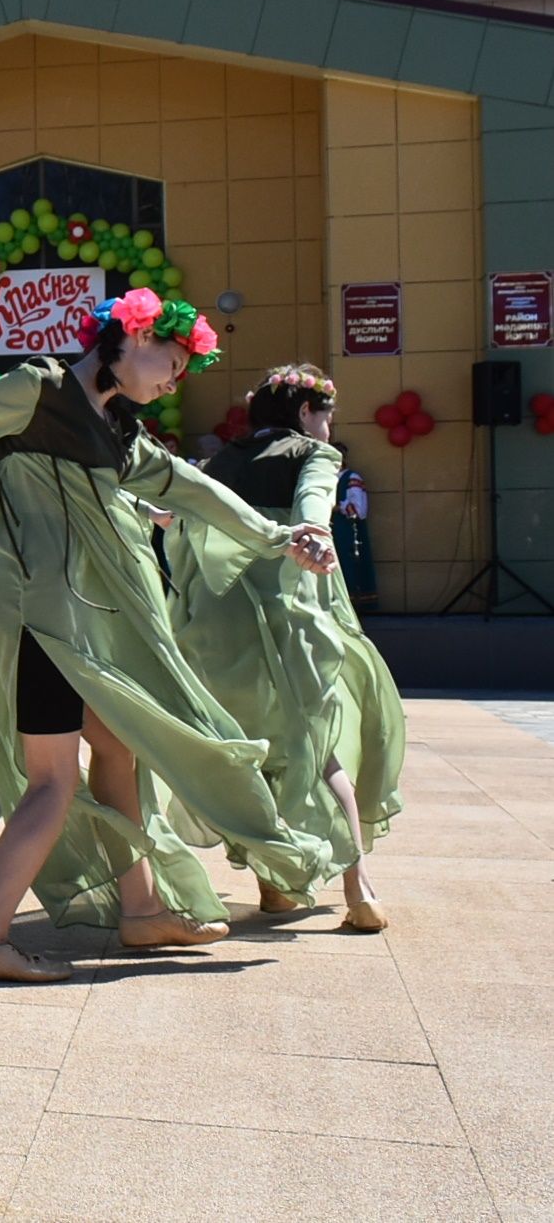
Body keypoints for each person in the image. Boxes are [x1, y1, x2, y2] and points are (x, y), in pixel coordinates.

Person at [0, 288, 337, 982]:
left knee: (116, 748)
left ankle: (139, 909)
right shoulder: (38, 388)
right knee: (51, 777)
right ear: (130, 339)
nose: (174, 378)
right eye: (170, 359)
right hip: (27, 611)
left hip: (57, 616)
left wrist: (282, 536)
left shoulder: (118, 433)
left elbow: (194, 489)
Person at [166, 366, 403, 931]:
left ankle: (275, 887)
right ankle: (359, 889)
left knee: (254, 751)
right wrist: (314, 535)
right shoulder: (314, 454)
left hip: (218, 627)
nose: (327, 426)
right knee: (319, 749)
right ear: (304, 412)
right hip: (289, 614)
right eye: (325, 415)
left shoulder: (222, 459)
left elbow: (184, 527)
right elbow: (314, 500)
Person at [331, 443, 378, 612]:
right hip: (331, 530)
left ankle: (353, 606)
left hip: (347, 530)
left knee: (348, 565)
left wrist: (334, 507)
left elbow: (358, 509)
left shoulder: (351, 478)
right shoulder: (325, 477)